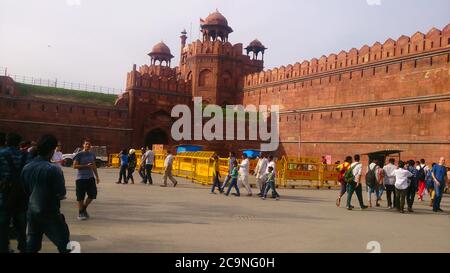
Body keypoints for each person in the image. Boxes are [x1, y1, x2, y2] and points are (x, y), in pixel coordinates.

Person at [20, 134, 70, 253]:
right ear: (52, 150)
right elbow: (61, 193)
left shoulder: (27, 167)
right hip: (50, 212)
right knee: (65, 245)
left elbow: (25, 190)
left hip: (32, 212)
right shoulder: (54, 169)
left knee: (32, 245)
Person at [0, 133, 28, 253]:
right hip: (21, 194)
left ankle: (4, 248)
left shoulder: (1, 154)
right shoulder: (26, 156)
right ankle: (23, 247)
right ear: (19, 143)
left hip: (4, 194)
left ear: (7, 141)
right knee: (21, 224)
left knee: (3, 224)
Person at [73, 139, 100, 221]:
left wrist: (97, 176)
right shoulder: (79, 155)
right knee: (80, 196)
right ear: (83, 145)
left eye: (89, 144)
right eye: (86, 144)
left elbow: (94, 166)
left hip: (90, 178)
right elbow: (74, 166)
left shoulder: (92, 154)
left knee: (92, 195)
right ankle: (80, 213)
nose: (88, 146)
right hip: (81, 178)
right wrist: (86, 166)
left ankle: (83, 209)